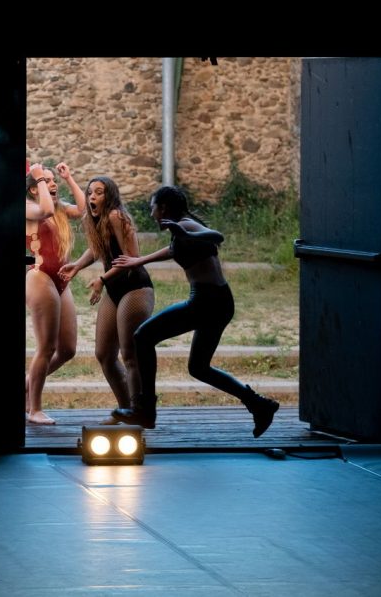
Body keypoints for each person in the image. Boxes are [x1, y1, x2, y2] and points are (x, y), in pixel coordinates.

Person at [111, 185, 280, 436]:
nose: (151, 214)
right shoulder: (181, 229)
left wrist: (185, 232)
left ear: (163, 208)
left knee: (143, 336)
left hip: (207, 301)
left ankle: (145, 410)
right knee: (198, 367)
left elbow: (217, 236)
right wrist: (140, 260)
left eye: (152, 208)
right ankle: (259, 404)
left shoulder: (186, 225)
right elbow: (173, 250)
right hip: (217, 302)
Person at [59, 176, 155, 422]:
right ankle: (125, 410)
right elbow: (97, 249)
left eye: (99, 192)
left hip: (135, 287)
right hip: (114, 288)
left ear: (109, 196)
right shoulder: (95, 220)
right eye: (90, 192)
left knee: (130, 355)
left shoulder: (116, 216)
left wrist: (102, 279)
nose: (92, 197)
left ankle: (140, 411)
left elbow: (131, 258)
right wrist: (77, 266)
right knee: (104, 354)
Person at [26, 161, 86, 425]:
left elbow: (82, 210)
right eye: (47, 180)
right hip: (40, 277)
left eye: (53, 180)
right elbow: (45, 210)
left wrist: (69, 178)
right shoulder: (27, 207)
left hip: (61, 281)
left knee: (67, 349)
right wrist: (38, 177)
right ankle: (34, 409)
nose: (53, 184)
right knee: (46, 347)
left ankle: (26, 385)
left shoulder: (58, 207)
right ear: (33, 189)